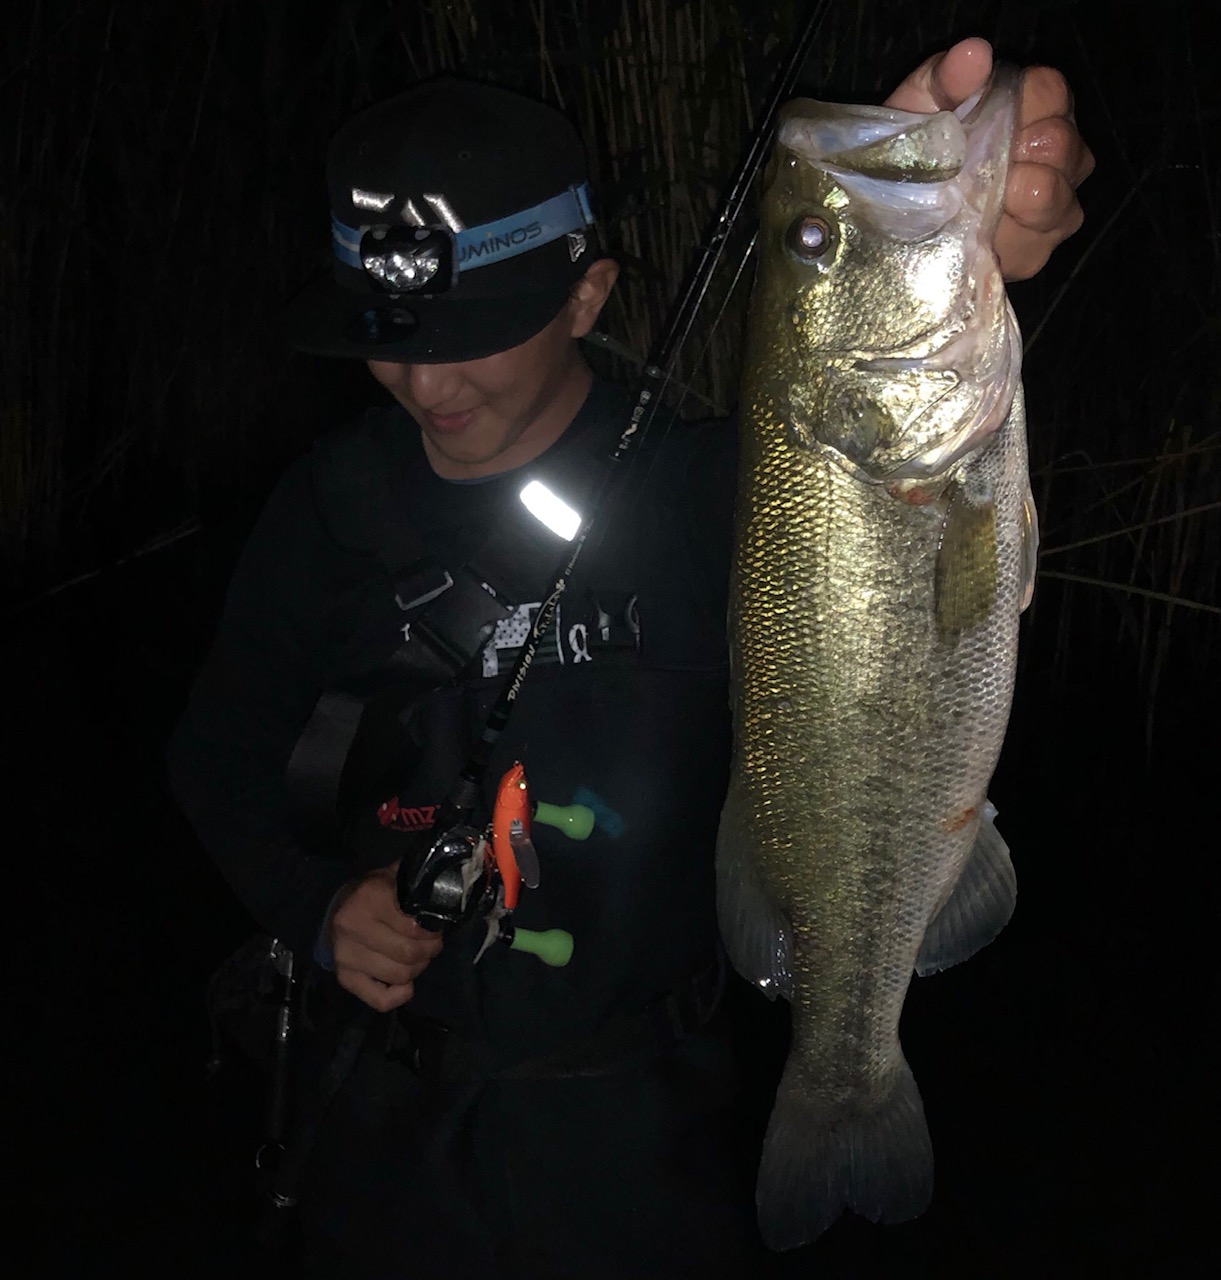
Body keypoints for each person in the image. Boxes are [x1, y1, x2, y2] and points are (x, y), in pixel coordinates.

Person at [168, 36, 1092, 1279]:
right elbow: (215, 756)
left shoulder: (725, 494)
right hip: (376, 1135)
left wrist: (967, 242)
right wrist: (318, 908)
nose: (425, 378)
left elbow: (892, 508)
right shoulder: (323, 511)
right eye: (389, 332)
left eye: (474, 331)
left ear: (588, 296)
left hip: (642, 1138)